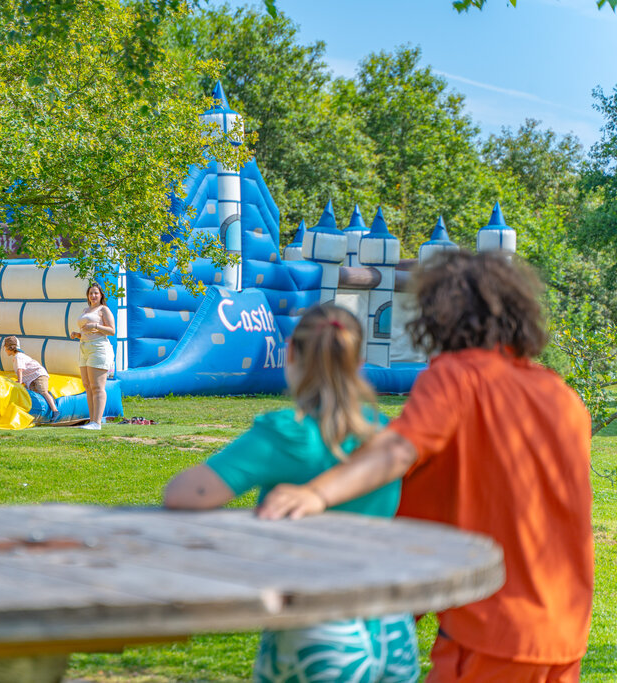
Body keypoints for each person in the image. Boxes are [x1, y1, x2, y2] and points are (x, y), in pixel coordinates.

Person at [258, 250, 593, 683]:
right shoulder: (562, 397)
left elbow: (399, 451)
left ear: (439, 315)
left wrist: (316, 493)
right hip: (565, 632)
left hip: (494, 633)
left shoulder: (458, 376)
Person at [164, 303, 419, 683]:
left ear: (290, 354)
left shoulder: (287, 432)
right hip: (392, 626)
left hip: (320, 628)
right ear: (359, 361)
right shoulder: (385, 434)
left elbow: (186, 493)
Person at [69, 283, 115, 430]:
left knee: (97, 386)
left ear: (101, 295)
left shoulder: (104, 309)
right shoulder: (86, 310)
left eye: (96, 293)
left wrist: (95, 326)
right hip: (84, 348)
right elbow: (86, 330)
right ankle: (92, 420)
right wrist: (78, 335)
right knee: (88, 386)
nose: (93, 296)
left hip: (99, 348)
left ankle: (97, 422)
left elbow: (112, 331)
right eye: (90, 293)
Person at [3, 336, 59, 422]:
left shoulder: (18, 356)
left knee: (43, 391)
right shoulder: (15, 357)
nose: (5, 349)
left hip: (38, 374)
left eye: (5, 347)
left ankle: (55, 411)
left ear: (10, 347)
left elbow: (20, 369)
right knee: (35, 393)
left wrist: (20, 381)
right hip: (30, 379)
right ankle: (49, 396)